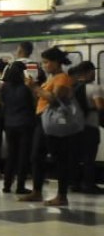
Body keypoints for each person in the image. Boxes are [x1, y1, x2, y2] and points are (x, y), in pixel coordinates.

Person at [20, 47, 74, 206]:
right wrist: (34, 88)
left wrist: (34, 87)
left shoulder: (62, 78)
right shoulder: (50, 79)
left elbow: (54, 99)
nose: (44, 65)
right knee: (36, 157)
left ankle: (62, 195)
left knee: (59, 158)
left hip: (54, 122)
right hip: (42, 120)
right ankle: (37, 191)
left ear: (56, 62)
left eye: (46, 62)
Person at [0, 61, 36, 194]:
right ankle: (20, 186)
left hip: (9, 124)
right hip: (25, 124)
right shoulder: (25, 89)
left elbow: (2, 103)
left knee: (11, 155)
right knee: (23, 156)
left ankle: (7, 185)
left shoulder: (4, 87)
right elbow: (31, 105)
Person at [68, 62, 103, 194]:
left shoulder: (73, 87)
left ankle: (74, 184)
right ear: (87, 72)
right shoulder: (95, 88)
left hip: (74, 128)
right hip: (90, 127)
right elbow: (100, 107)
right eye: (93, 70)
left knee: (75, 157)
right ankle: (88, 185)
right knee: (89, 158)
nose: (94, 73)